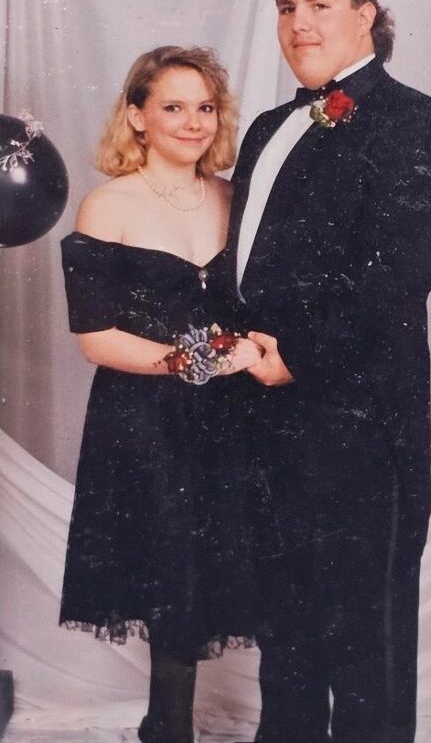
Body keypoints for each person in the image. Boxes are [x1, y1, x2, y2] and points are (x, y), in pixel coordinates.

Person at [228, 0, 431, 741]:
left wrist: (295, 357)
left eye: (319, 3)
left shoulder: (409, 117)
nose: (299, 22)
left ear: (365, 14)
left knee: (365, 644)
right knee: (284, 633)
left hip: (359, 424)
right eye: (287, 6)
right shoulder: (265, 127)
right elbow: (244, 268)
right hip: (264, 417)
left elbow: (400, 274)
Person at [59, 45, 262, 743]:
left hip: (236, 417)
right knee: (169, 572)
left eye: (204, 107)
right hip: (144, 419)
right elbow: (94, 337)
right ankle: (165, 729)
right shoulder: (106, 205)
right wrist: (193, 362)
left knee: (225, 567)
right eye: (172, 106)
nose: (192, 122)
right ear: (137, 116)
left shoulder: (238, 199)